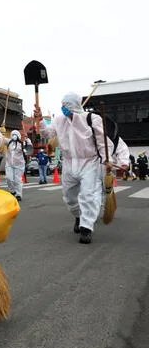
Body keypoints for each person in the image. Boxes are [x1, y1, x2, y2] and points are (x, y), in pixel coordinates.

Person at [36, 92, 113, 244]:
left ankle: (86, 227)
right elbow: (47, 133)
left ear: (73, 105)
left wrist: (107, 159)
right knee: (69, 197)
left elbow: (103, 142)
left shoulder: (91, 119)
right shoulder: (59, 120)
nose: (63, 108)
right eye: (62, 105)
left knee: (88, 195)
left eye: (65, 105)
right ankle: (78, 216)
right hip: (69, 163)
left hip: (89, 163)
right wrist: (41, 120)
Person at [4, 130, 30, 201]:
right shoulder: (9, 142)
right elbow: (0, 138)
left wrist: (27, 139)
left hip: (19, 166)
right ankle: (12, 191)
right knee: (9, 178)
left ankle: (18, 194)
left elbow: (29, 149)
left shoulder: (22, 144)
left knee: (17, 180)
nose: (14, 136)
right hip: (9, 164)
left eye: (15, 134)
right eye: (13, 134)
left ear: (18, 135)